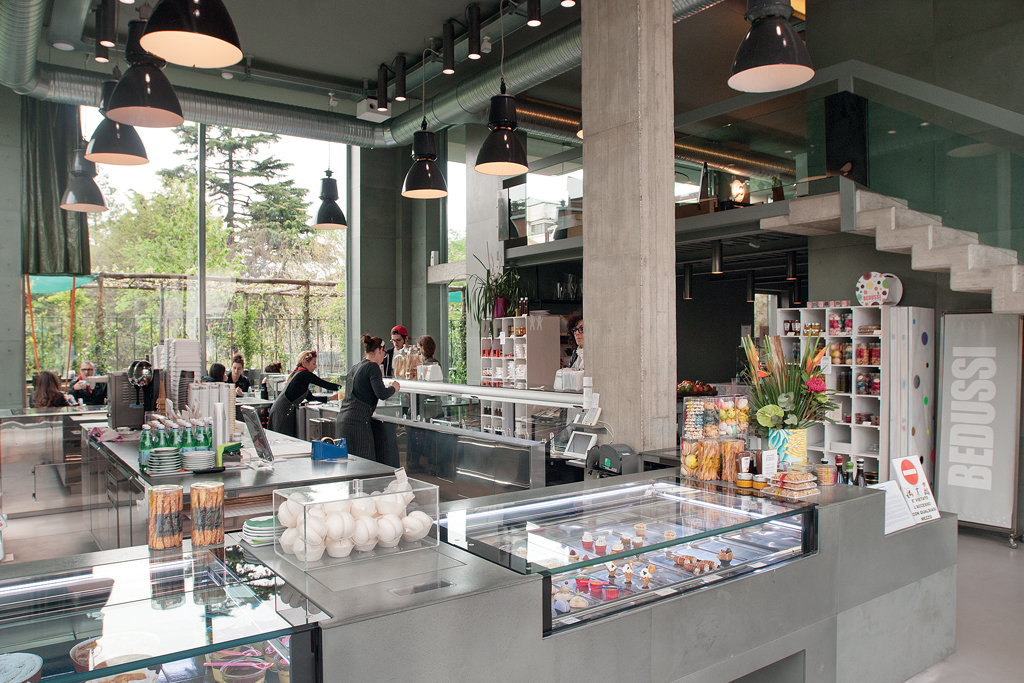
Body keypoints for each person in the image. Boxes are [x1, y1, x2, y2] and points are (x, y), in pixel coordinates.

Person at [336, 335, 400, 464]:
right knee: (365, 464)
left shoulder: (355, 367)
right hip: (358, 423)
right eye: (384, 354)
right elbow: (381, 393)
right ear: (380, 350)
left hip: (343, 420)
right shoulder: (373, 367)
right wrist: (394, 388)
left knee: (347, 464)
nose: (383, 358)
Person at [268, 350, 340, 437]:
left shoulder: (301, 376)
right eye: (313, 364)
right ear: (305, 363)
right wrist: (343, 388)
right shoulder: (303, 374)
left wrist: (331, 398)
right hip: (282, 412)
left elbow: (310, 398)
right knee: (282, 439)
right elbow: (325, 384)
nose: (315, 367)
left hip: (282, 410)